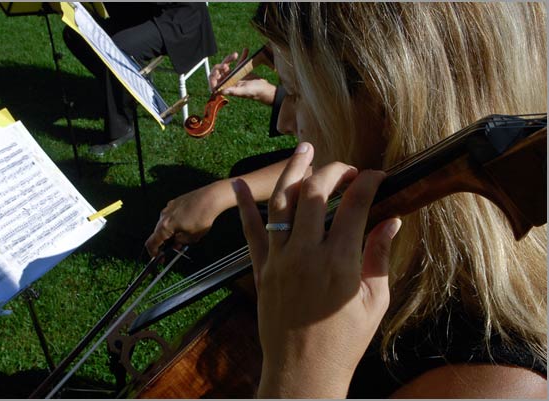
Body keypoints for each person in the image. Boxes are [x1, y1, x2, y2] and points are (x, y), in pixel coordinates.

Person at [147, 3, 547, 398]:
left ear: (391, 106)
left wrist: (299, 376)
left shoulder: (496, 384)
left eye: (299, 94)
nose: (285, 122)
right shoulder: (380, 243)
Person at [63, 3, 217, 156]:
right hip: (138, 11)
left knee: (118, 49)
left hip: (177, 17)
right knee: (75, 32)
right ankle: (120, 89)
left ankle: (121, 129)